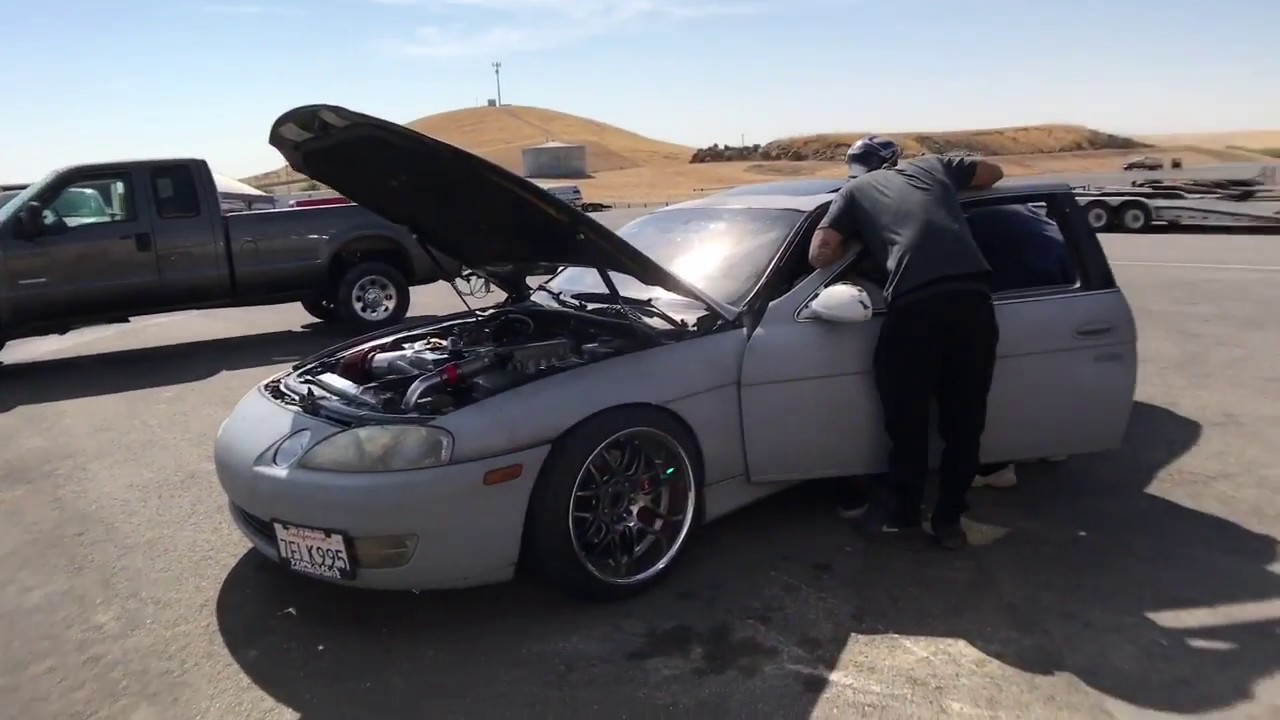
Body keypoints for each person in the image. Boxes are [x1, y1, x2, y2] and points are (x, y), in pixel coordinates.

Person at [811, 137, 1005, 550]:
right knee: (965, 420)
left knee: (907, 419)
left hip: (915, 308)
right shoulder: (934, 167)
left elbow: (821, 252)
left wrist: (857, 239)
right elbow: (994, 173)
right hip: (974, 302)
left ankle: (903, 516)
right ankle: (949, 520)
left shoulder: (852, 192)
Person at [965, 203, 1075, 488]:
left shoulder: (966, 215)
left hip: (1016, 297)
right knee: (1045, 376)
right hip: (1063, 293)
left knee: (994, 386)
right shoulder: (1020, 208)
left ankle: (995, 467)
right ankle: (1050, 445)